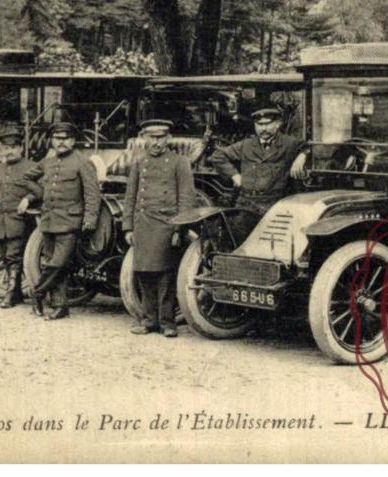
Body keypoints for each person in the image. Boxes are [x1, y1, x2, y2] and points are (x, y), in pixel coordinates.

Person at [122, 119, 196, 337]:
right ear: (144, 138)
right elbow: (130, 197)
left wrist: (179, 229)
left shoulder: (179, 162)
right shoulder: (138, 162)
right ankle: (148, 321)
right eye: (151, 137)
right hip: (143, 224)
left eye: (160, 137)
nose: (156, 142)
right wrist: (128, 227)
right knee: (144, 273)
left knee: (166, 275)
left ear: (169, 138)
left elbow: (186, 198)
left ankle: (167, 323)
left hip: (167, 225)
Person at [22, 119, 100, 320]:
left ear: (74, 141)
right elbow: (27, 178)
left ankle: (37, 292)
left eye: (66, 139)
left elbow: (92, 193)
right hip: (48, 219)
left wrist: (90, 218)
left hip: (70, 221)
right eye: (57, 138)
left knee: (58, 262)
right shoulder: (47, 162)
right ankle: (60, 306)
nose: (61, 142)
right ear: (51, 140)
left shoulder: (83, 162)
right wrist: (39, 193)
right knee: (54, 263)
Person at [209, 106, 309, 235]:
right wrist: (234, 175)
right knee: (238, 242)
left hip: (273, 206)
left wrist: (302, 157)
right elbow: (218, 156)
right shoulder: (246, 145)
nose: (263, 128)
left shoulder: (289, 144)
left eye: (268, 124)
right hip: (246, 205)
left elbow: (306, 147)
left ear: (278, 124)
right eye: (259, 124)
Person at [0, 124, 41, 308]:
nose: (10, 152)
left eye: (13, 148)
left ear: (21, 148)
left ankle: (10, 294)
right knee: (6, 257)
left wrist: (28, 199)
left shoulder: (32, 167)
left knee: (14, 256)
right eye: (6, 148)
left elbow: (42, 189)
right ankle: (18, 293)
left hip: (20, 220)